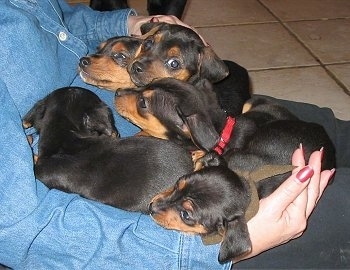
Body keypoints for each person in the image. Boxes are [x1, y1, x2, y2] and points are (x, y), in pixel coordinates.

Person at [0, 1, 348, 269]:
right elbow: (23, 228)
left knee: (323, 126)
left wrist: (130, 23)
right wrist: (214, 249)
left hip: (146, 99)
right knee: (341, 206)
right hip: (129, 219)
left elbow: (53, 20)